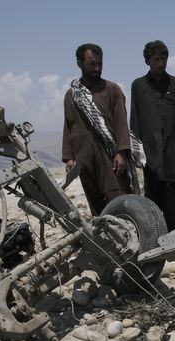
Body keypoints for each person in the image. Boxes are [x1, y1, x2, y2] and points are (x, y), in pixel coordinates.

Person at [62, 43, 135, 216]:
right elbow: (68, 125)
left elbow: (121, 123)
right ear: (79, 63)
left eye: (100, 64)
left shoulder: (112, 90)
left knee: (119, 202)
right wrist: (69, 158)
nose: (97, 68)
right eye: (92, 64)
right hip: (84, 159)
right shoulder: (71, 94)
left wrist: (122, 152)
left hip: (110, 158)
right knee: (96, 209)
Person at [130, 40, 175, 231]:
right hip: (150, 152)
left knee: (174, 198)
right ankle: (154, 237)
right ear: (147, 61)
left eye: (163, 59)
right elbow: (134, 119)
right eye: (156, 59)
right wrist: (136, 151)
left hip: (173, 152)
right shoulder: (138, 86)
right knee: (152, 198)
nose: (161, 63)